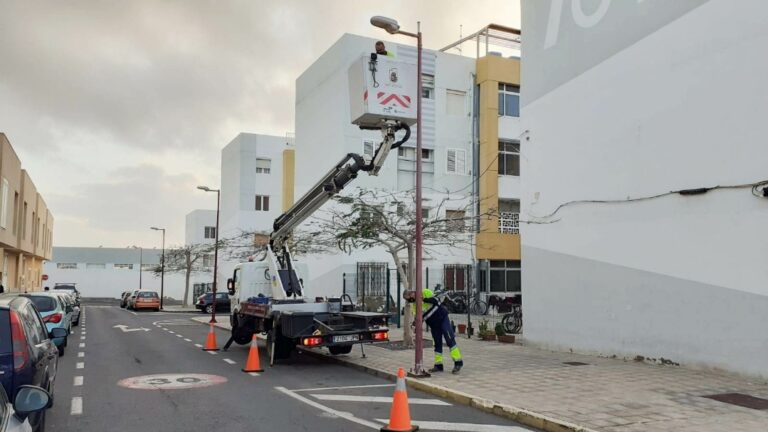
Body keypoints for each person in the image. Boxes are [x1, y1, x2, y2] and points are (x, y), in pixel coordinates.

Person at [404, 289, 463, 374]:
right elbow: (419, 318)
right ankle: (438, 365)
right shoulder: (414, 305)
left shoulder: (425, 292)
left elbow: (436, 301)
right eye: (408, 299)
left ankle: (458, 362)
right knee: (437, 343)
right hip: (433, 325)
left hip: (442, 318)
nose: (410, 300)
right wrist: (415, 325)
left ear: (412, 293)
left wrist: (424, 299)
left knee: (449, 339)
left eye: (409, 297)